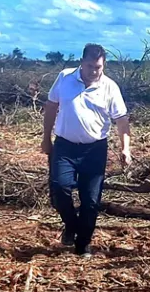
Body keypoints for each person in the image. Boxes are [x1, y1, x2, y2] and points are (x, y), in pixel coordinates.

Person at [41, 43, 132, 257]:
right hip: (65, 146)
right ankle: (71, 225)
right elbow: (51, 106)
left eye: (98, 67)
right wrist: (46, 138)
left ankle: (83, 243)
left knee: (91, 200)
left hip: (94, 150)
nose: (94, 71)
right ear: (82, 62)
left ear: (104, 65)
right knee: (59, 189)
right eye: (90, 66)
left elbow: (121, 119)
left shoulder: (110, 87)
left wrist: (126, 148)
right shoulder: (65, 77)